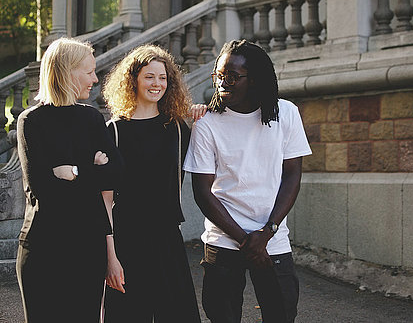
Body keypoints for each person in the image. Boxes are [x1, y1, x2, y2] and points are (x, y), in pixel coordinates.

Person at [183, 39, 312, 323]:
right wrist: (247, 241)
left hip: (272, 240)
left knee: (282, 314)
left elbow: (292, 175)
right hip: (224, 240)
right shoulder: (207, 123)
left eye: (231, 77)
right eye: (218, 75)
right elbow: (203, 193)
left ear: (254, 80)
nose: (222, 83)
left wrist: (267, 232)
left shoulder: (285, 113)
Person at [16, 38, 123, 322]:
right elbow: (44, 191)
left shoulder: (91, 118)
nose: (95, 79)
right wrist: (93, 170)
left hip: (88, 248)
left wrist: (74, 172)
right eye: (89, 72)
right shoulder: (31, 121)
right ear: (66, 72)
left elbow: (116, 174)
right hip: (43, 248)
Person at [101, 44, 201, 323]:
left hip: (167, 239)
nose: (157, 84)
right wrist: (111, 258)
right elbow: (105, 201)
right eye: (149, 76)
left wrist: (203, 113)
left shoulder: (178, 128)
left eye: (163, 77)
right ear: (133, 79)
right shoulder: (114, 131)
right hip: (125, 242)